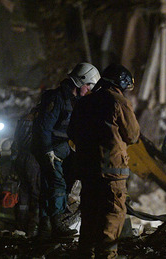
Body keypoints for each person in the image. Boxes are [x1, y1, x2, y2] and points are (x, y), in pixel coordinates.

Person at [68, 63, 140, 258]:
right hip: (112, 174)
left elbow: (71, 132)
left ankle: (85, 254)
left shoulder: (85, 103)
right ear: (121, 85)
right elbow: (133, 135)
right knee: (112, 216)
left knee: (89, 215)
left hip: (88, 171)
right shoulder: (119, 102)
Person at [32, 62, 100, 239]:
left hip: (62, 148)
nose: (89, 90)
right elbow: (43, 128)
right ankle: (57, 224)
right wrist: (47, 152)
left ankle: (45, 227)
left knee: (64, 180)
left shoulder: (75, 101)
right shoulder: (57, 98)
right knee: (57, 184)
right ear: (81, 82)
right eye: (89, 86)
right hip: (49, 148)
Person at [11, 107, 41, 237]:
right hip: (32, 158)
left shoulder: (21, 122)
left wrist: (14, 162)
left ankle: (20, 227)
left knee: (23, 192)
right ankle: (33, 228)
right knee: (36, 193)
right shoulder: (37, 122)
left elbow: (15, 144)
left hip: (20, 159)